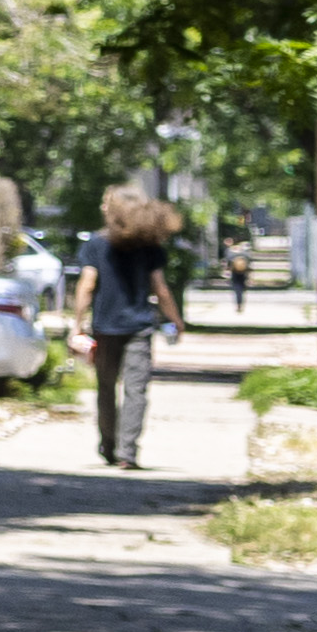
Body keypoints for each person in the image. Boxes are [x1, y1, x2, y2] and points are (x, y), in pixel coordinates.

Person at [86, 188, 184, 468]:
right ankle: (127, 452)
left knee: (105, 387)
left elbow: (87, 285)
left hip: (105, 327)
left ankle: (109, 444)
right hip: (139, 327)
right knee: (136, 390)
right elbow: (160, 289)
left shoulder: (95, 244)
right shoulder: (150, 247)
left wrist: (77, 322)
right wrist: (175, 319)